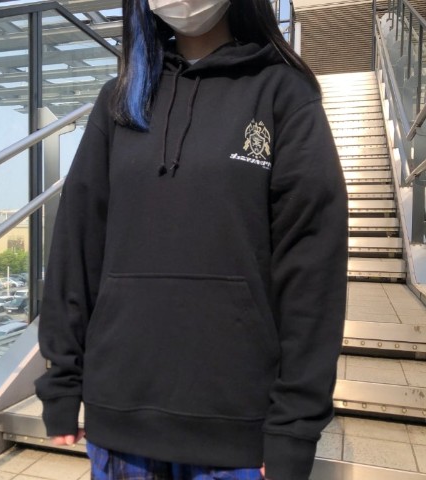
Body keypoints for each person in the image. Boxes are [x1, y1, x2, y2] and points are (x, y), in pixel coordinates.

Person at [35, 0, 348, 479]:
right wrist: (61, 380)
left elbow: (312, 269)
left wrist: (295, 426)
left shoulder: (283, 93)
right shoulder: (120, 99)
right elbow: (78, 242)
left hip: (237, 430)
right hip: (120, 418)